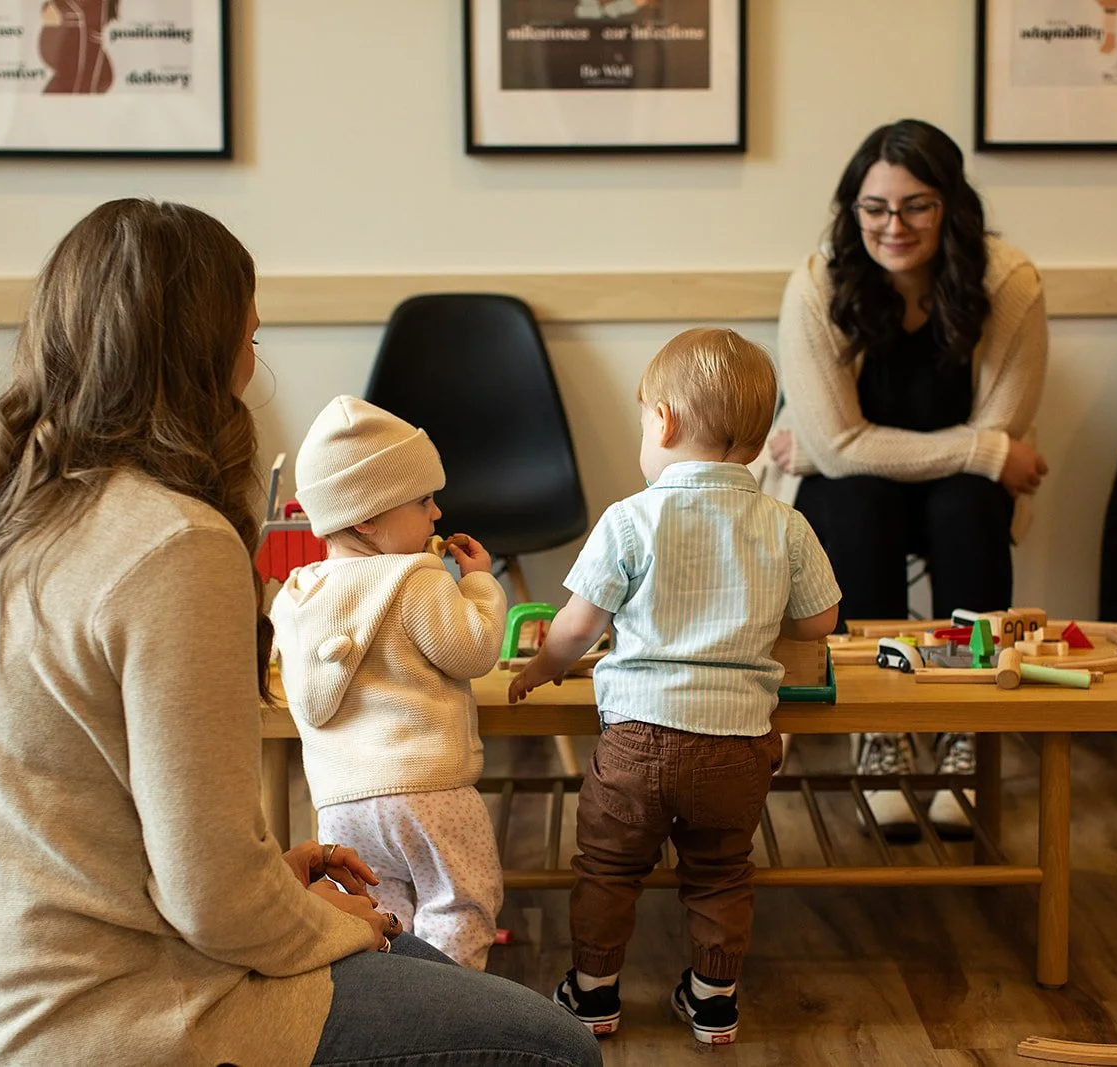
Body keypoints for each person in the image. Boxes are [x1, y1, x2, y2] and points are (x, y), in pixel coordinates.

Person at [0, 199, 601, 1067]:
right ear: (201, 358)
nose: (255, 369)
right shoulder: (174, 541)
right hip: (118, 1021)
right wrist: (297, 919)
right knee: (552, 1048)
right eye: (250, 341)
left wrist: (266, 886)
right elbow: (209, 898)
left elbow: (85, 826)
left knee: (405, 947)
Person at [509, 328, 842, 1046]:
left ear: (662, 420)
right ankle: (713, 998)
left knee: (606, 868)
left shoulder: (630, 518)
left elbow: (575, 625)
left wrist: (543, 667)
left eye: (640, 423)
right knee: (722, 872)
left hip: (637, 740)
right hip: (738, 745)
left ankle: (594, 994)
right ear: (755, 440)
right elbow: (820, 621)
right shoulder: (785, 523)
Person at [758, 119, 1049, 838]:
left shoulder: (1008, 282)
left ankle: (966, 729)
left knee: (968, 505)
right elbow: (843, 445)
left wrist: (843, 448)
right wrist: (982, 451)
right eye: (875, 208)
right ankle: (879, 726)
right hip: (854, 496)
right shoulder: (818, 284)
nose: (894, 226)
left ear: (952, 205)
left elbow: (1000, 427)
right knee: (857, 498)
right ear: (852, 210)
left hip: (954, 499)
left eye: (917, 205)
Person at [270, 395, 507, 972]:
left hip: (341, 806)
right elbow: (474, 650)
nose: (436, 515)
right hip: (430, 793)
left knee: (376, 916)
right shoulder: (414, 580)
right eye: (423, 500)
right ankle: (454, 1012)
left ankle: (399, 1008)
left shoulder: (295, 595)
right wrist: (477, 586)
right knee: (459, 907)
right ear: (367, 519)